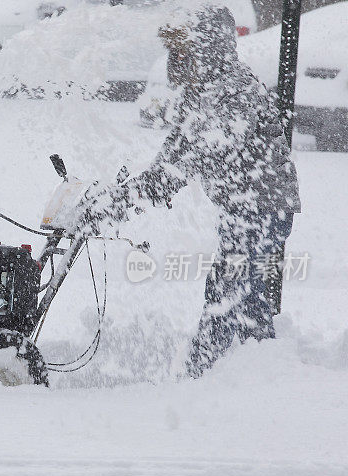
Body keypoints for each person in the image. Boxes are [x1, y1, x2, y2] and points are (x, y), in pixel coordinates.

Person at [73, 3, 301, 377]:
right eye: (174, 50)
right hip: (242, 206)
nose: (176, 57)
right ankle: (239, 372)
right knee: (237, 294)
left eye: (183, 49)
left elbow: (199, 154)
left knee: (234, 293)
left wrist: (143, 192)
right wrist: (125, 197)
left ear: (207, 47)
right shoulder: (202, 92)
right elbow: (174, 155)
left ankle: (220, 375)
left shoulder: (235, 90)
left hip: (264, 206)